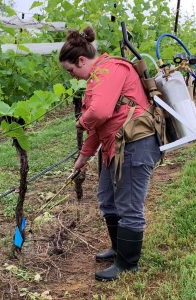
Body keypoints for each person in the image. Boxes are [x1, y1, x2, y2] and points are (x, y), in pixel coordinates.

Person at [59, 26, 161, 281]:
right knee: (107, 199)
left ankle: (127, 264)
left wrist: (80, 122)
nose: (75, 76)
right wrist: (82, 159)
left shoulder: (110, 70)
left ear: (81, 60)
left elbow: (99, 113)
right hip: (115, 144)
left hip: (134, 144)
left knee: (129, 206)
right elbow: (99, 125)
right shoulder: (97, 77)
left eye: (72, 70)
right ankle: (118, 249)